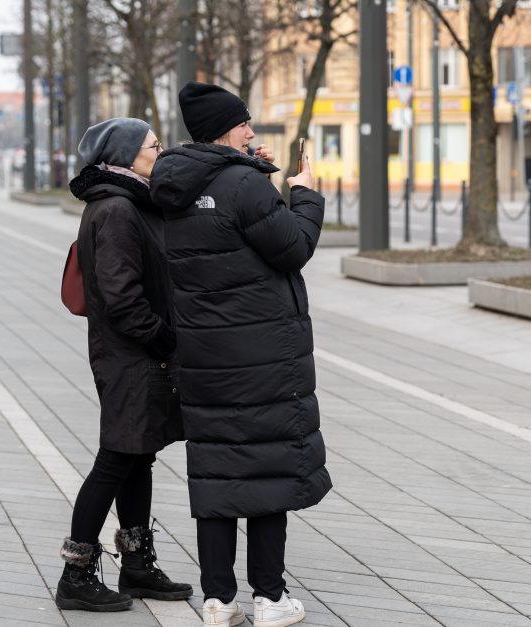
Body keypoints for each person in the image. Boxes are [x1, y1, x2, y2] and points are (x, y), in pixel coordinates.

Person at [151, 82, 331, 627]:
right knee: (267, 472)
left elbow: (223, 220)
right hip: (261, 359)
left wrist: (248, 169)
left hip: (206, 359)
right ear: (224, 129)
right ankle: (271, 599)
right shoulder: (244, 186)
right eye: (243, 124)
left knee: (218, 476)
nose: (252, 131)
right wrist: (304, 193)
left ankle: (217, 601)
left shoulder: (175, 186)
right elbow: (293, 247)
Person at [55, 118, 192, 611]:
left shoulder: (133, 200)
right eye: (154, 145)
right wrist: (163, 340)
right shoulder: (115, 209)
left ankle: (136, 565)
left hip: (138, 354)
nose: (162, 151)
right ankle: (76, 573)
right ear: (127, 154)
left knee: (139, 454)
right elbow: (120, 296)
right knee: (116, 457)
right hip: (130, 355)